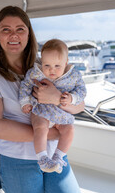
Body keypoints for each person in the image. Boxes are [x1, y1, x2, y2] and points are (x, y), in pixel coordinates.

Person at [0, 6, 84, 193]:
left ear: (28, 34)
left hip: (55, 155)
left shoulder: (45, 65)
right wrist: (52, 134)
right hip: (16, 159)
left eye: (20, 29)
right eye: (6, 29)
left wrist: (58, 99)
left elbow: (79, 106)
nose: (14, 35)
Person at [19, 39, 86, 174]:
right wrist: (25, 102)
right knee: (40, 128)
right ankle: (42, 158)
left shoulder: (74, 76)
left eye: (57, 66)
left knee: (69, 130)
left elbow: (82, 91)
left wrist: (72, 98)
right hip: (41, 110)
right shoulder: (35, 73)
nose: (51, 70)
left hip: (60, 114)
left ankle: (58, 157)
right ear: (41, 62)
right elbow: (25, 85)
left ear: (66, 63)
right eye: (47, 65)